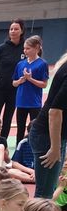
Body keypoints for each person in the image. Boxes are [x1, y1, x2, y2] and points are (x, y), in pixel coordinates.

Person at [30, 51, 67, 199]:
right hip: (47, 137)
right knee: (44, 194)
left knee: (48, 191)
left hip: (56, 136)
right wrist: (55, 147)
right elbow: (54, 112)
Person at [0, 20, 25, 140]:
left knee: (8, 118)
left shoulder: (25, 49)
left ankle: (3, 141)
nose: (13, 31)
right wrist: (3, 78)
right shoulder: (1, 48)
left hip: (15, 90)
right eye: (11, 29)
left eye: (16, 29)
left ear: (22, 31)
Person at [12, 35, 48, 145]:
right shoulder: (20, 64)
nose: (25, 51)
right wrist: (20, 81)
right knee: (20, 129)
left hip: (34, 103)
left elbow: (44, 84)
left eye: (28, 48)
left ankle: (34, 148)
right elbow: (14, 83)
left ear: (36, 48)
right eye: (24, 48)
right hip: (21, 102)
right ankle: (19, 148)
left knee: (35, 128)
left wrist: (30, 79)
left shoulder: (42, 64)